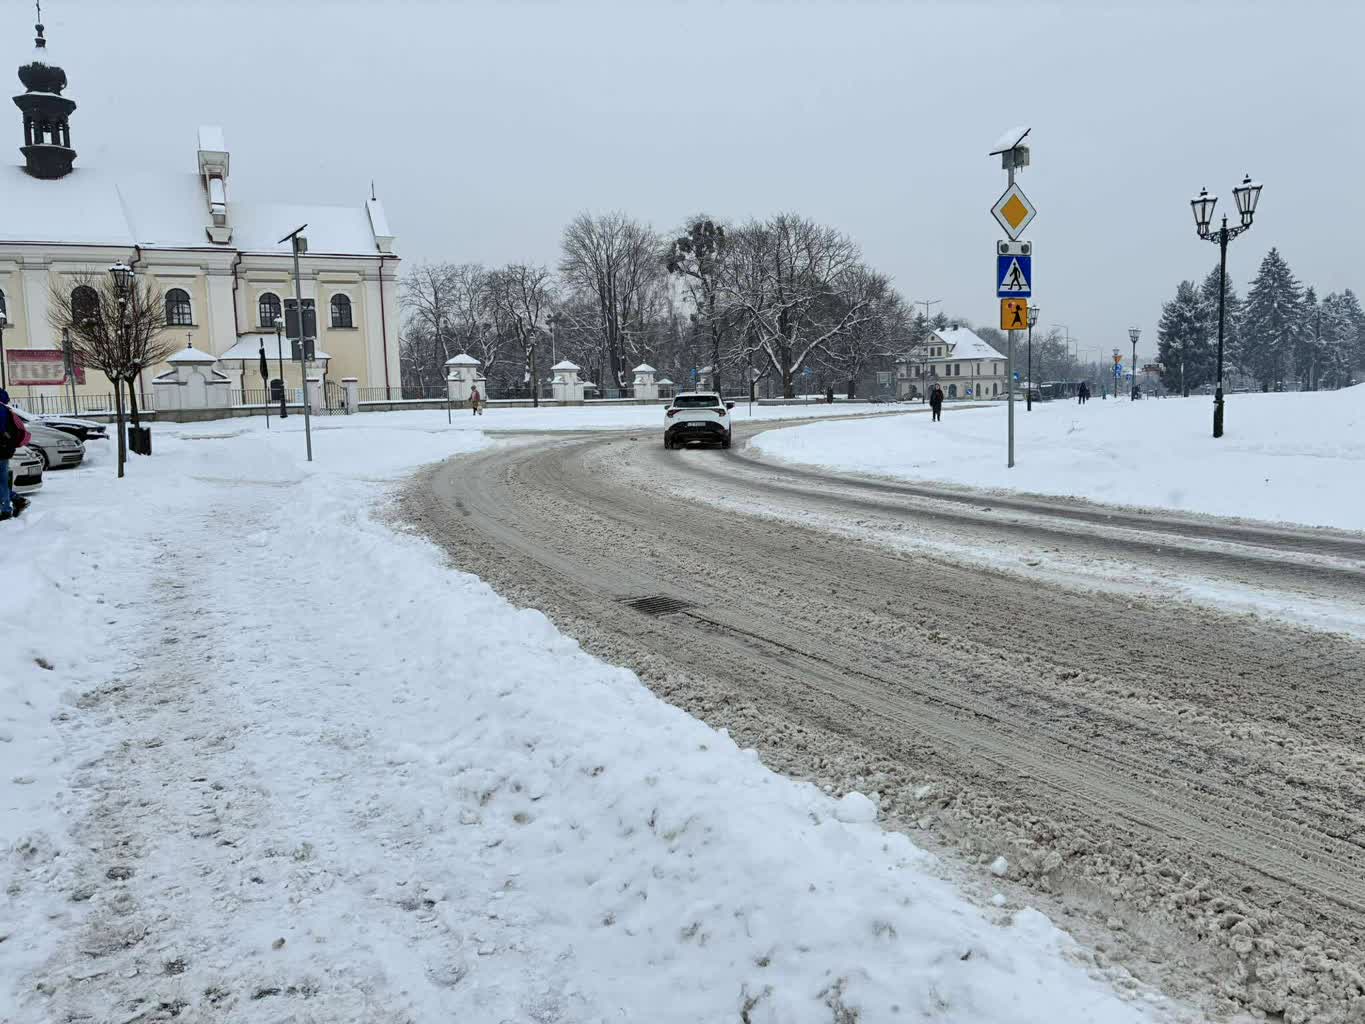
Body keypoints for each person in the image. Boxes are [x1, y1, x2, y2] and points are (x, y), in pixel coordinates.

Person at [1, 389, 32, 522]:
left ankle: (6, 510)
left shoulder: (1, 410)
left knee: (1, 482)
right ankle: (16, 500)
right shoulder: (5, 409)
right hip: (5, 449)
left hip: (1, 449)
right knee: (2, 481)